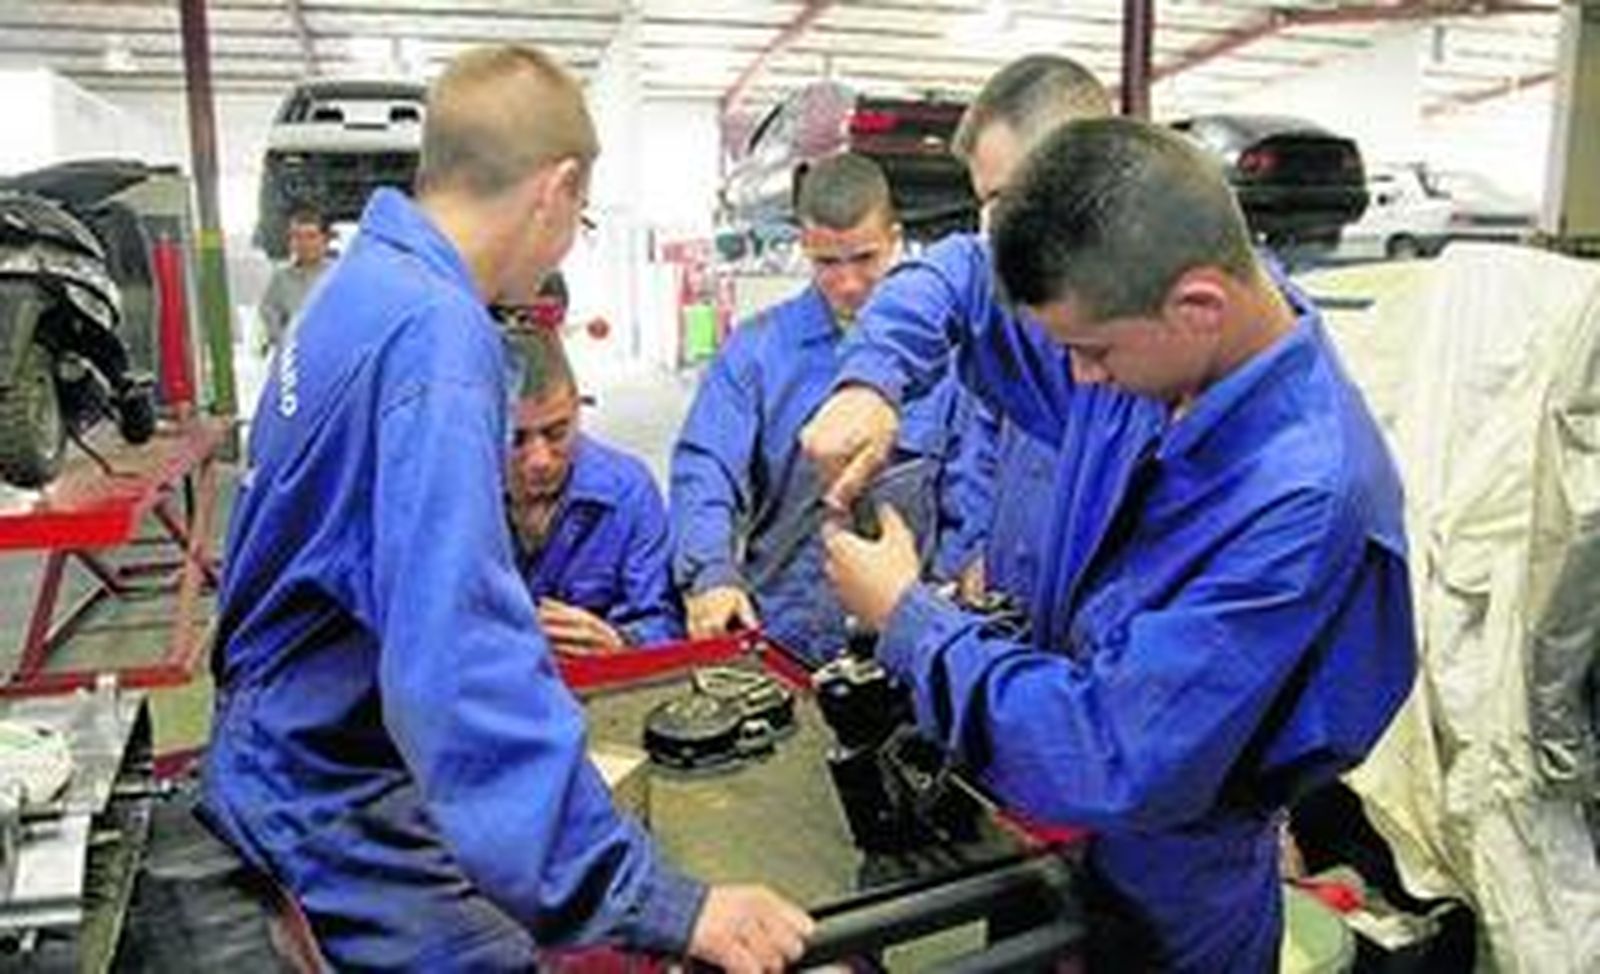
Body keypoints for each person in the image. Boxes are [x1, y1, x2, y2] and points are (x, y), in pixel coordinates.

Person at [202, 45, 810, 973]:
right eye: (581, 218)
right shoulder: (437, 338)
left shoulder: (356, 288)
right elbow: (457, 656)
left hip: (286, 741)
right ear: (556, 191)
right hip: (325, 790)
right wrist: (653, 897)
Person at [805, 114, 1417, 973]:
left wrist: (908, 619)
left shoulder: (1299, 500)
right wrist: (871, 381)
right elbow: (963, 276)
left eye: (1090, 352)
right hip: (1048, 820)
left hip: (1172, 886)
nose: (1077, 379)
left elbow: (1113, 753)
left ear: (1198, 307)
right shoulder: (1160, 327)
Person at [669, 152, 984, 666]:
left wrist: (964, 571)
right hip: (782, 636)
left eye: (864, 258)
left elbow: (970, 480)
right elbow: (707, 467)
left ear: (895, 239)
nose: (849, 283)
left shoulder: (948, 361)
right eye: (827, 263)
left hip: (906, 640)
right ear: (804, 247)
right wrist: (710, 574)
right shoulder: (755, 352)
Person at [502, 323, 684, 653]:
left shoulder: (629, 493)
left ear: (578, 410)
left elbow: (664, 622)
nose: (540, 459)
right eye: (517, 439)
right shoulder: (453, 499)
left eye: (557, 433)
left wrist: (623, 643)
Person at [257, 203, 332, 354]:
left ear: (324, 240)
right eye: (297, 237)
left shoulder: (339, 275)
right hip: (294, 355)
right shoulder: (281, 278)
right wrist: (283, 341)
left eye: (311, 236)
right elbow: (268, 312)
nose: (304, 244)